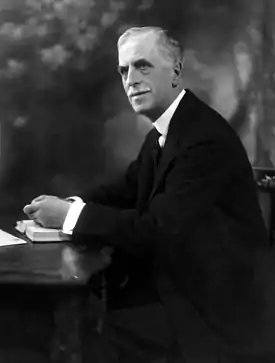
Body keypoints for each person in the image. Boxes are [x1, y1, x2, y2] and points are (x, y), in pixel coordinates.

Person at [23, 26, 275, 363]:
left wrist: (68, 217)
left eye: (143, 66)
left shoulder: (203, 139)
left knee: (79, 331)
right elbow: (127, 190)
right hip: (181, 287)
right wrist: (70, 204)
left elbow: (156, 230)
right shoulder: (167, 130)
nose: (131, 79)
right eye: (124, 70)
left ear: (175, 72)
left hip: (216, 311)